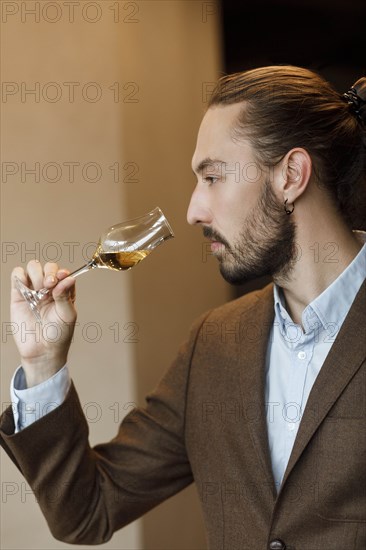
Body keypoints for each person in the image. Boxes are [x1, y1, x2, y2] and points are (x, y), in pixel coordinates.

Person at [1, 66, 365, 550]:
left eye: (213, 177)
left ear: (291, 176)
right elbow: (87, 513)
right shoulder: (212, 343)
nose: (194, 210)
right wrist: (43, 364)